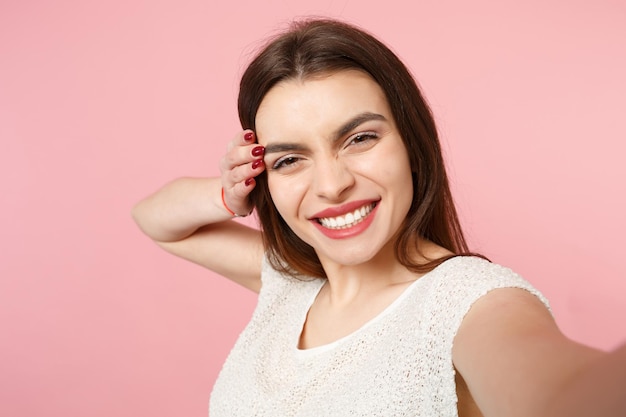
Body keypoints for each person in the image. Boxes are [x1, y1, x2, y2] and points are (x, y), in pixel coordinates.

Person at [132, 18, 626, 417]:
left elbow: (563, 395)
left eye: (360, 138)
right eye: (289, 159)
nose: (331, 184)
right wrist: (230, 193)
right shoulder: (292, 281)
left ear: (411, 143)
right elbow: (154, 218)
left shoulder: (470, 304)